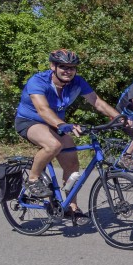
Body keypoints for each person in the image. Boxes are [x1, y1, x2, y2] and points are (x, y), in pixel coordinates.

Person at [14, 49, 124, 221]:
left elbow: (97, 102)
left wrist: (118, 117)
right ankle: (33, 179)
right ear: (53, 66)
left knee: (72, 164)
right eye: (63, 66)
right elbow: (43, 109)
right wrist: (62, 124)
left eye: (72, 67)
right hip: (30, 121)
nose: (68, 70)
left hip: (58, 124)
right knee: (53, 145)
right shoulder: (38, 80)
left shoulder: (77, 82)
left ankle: (71, 207)